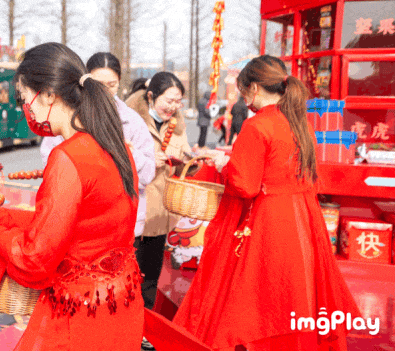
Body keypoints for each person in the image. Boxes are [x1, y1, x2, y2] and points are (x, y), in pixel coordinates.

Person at [0, 42, 144, 351]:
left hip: (79, 317)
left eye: (26, 99)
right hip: (121, 306)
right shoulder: (118, 147)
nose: (29, 110)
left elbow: (34, 258)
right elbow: (76, 226)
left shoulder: (68, 158)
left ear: (49, 95)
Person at [167, 55, 360, 350]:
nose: (245, 99)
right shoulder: (300, 123)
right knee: (296, 292)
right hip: (303, 217)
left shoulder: (257, 125)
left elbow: (245, 185)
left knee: (260, 297)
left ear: (254, 88)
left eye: (244, 92)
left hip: (268, 219)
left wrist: (224, 165)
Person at [40, 52, 155, 237]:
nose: (105, 90)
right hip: (78, 220)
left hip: (122, 224)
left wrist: (130, 154)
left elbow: (148, 174)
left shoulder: (132, 121)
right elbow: (50, 161)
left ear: (119, 82)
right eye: (98, 84)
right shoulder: (66, 116)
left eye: (112, 84)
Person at [125, 72, 194, 349]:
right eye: (169, 100)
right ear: (151, 96)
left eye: (178, 101)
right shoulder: (131, 120)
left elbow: (185, 158)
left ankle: (144, 329)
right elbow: (117, 156)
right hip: (134, 210)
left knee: (151, 276)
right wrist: (144, 160)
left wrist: (188, 160)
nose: (173, 107)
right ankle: (125, 327)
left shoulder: (177, 125)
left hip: (160, 212)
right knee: (129, 275)